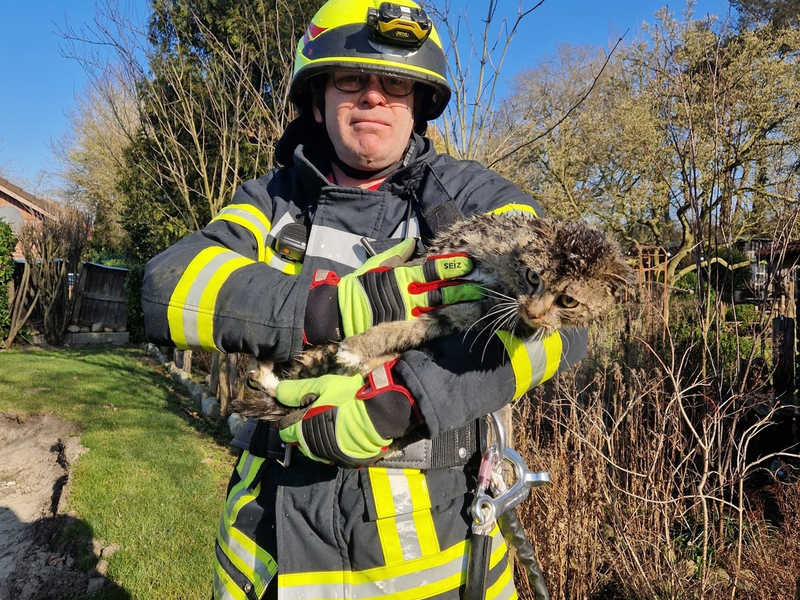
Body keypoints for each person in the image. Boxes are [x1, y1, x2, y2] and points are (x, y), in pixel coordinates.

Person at [141, 0, 587, 598]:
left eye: (396, 83)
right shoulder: (270, 203)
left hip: (436, 567)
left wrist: (406, 402)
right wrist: (325, 309)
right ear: (318, 97)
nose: (374, 96)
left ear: (419, 103)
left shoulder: (474, 198)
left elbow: (573, 321)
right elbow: (165, 285)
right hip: (264, 555)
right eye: (351, 79)